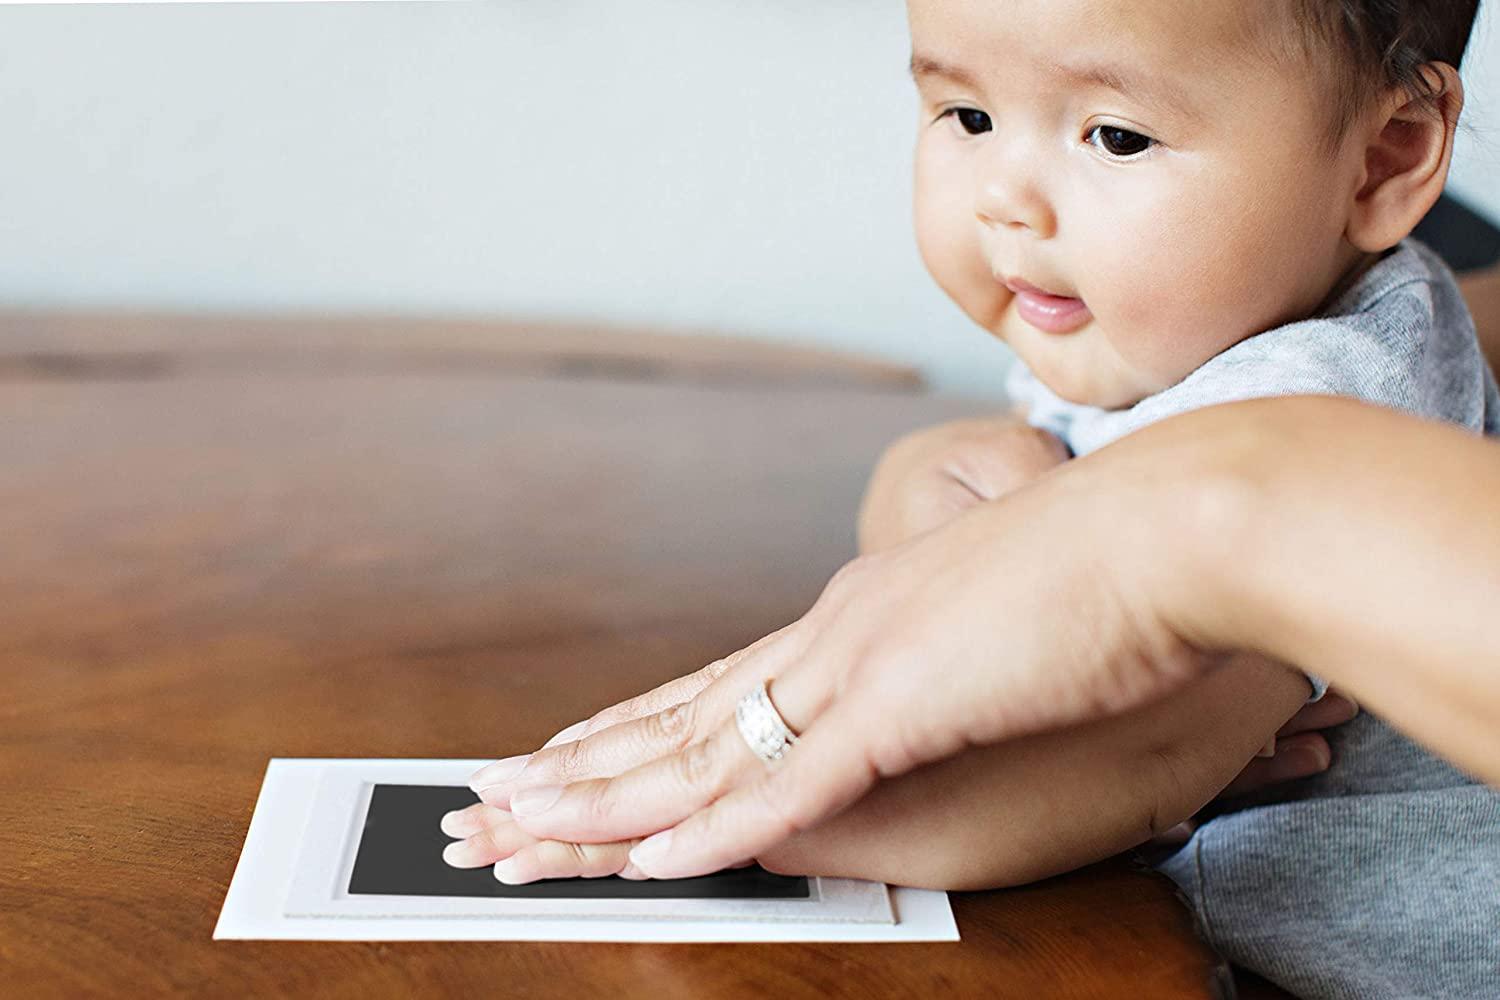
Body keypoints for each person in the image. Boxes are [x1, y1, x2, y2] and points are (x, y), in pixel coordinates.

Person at [445, 1, 1500, 995]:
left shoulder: (1328, 380)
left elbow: (1127, 758)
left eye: (1117, 138)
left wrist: (703, 820)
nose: (1006, 197)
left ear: (1384, 159)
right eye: (969, 116)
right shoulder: (1149, 318)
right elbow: (996, 575)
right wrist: (936, 532)